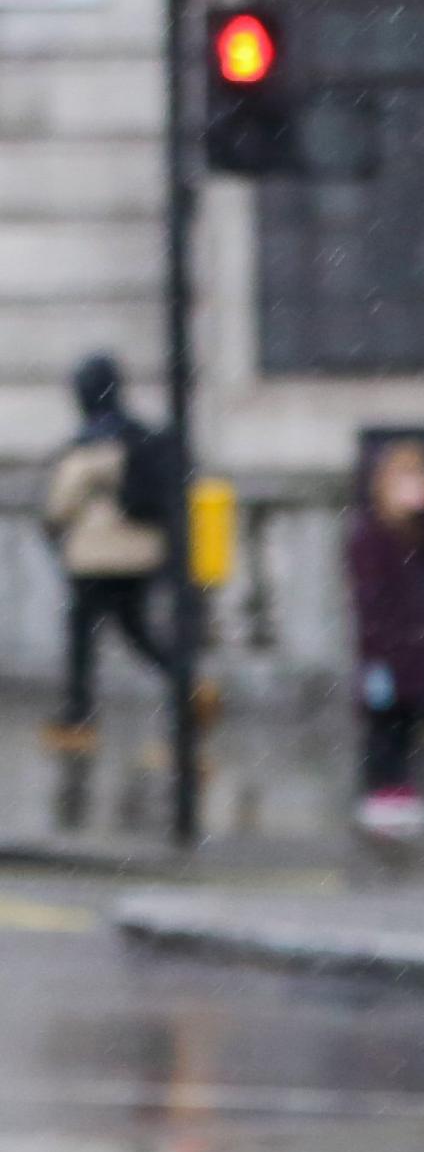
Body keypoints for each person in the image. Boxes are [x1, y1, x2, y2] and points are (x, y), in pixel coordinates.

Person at [36, 353, 171, 829]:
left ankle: (78, 717)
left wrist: (54, 522)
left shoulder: (88, 441)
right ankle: (186, 682)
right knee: (137, 630)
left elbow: (61, 502)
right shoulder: (142, 435)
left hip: (95, 555)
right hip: (140, 555)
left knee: (81, 635)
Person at [345, 439, 424, 840]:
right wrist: (382, 645)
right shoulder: (371, 531)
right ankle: (380, 789)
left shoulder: (414, 529)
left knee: (407, 719)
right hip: (385, 649)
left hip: (415, 645)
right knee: (383, 721)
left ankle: (399, 786)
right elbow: (369, 596)